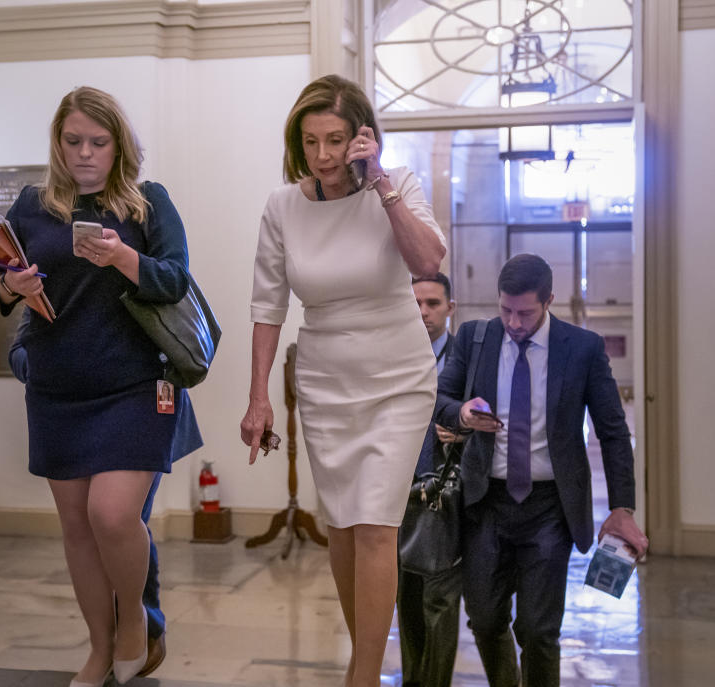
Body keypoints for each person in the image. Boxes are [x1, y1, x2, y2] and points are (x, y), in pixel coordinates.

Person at [0, 86, 202, 687]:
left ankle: (134, 619)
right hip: (57, 386)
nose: (84, 154)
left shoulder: (147, 203)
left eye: (97, 143)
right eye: (72, 141)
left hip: (134, 385)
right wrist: (12, 287)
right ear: (57, 143)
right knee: (77, 528)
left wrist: (123, 259)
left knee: (112, 515)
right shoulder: (31, 205)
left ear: (119, 146)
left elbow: (175, 279)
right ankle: (98, 648)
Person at [241, 74, 446, 687]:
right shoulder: (282, 206)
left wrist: (380, 182)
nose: (324, 156)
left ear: (363, 137)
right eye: (311, 142)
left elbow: (428, 261)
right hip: (326, 379)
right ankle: (369, 663)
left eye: (335, 140)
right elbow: (267, 306)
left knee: (377, 523)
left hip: (398, 376)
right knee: (343, 529)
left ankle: (361, 675)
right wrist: (258, 400)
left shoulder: (398, 184)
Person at [434, 253, 648, 687]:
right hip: (485, 502)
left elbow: (611, 430)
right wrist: (462, 412)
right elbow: (438, 398)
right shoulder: (475, 337)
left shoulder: (582, 349)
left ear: (549, 300)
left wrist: (623, 505)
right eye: (506, 309)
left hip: (550, 507)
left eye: (525, 312)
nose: (514, 322)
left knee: (538, 629)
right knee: (485, 618)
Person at [8, 311, 168, 677]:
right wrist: (48, 366)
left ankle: (142, 625)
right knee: (88, 527)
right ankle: (107, 645)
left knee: (117, 517)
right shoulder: (49, 264)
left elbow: (171, 285)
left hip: (136, 396)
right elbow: (19, 346)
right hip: (64, 403)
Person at [396, 272, 462, 687]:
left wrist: (463, 428)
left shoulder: (465, 359)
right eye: (416, 303)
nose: (423, 312)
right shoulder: (396, 359)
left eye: (433, 303)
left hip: (445, 496)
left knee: (439, 599)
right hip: (399, 495)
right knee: (407, 598)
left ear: (449, 308)